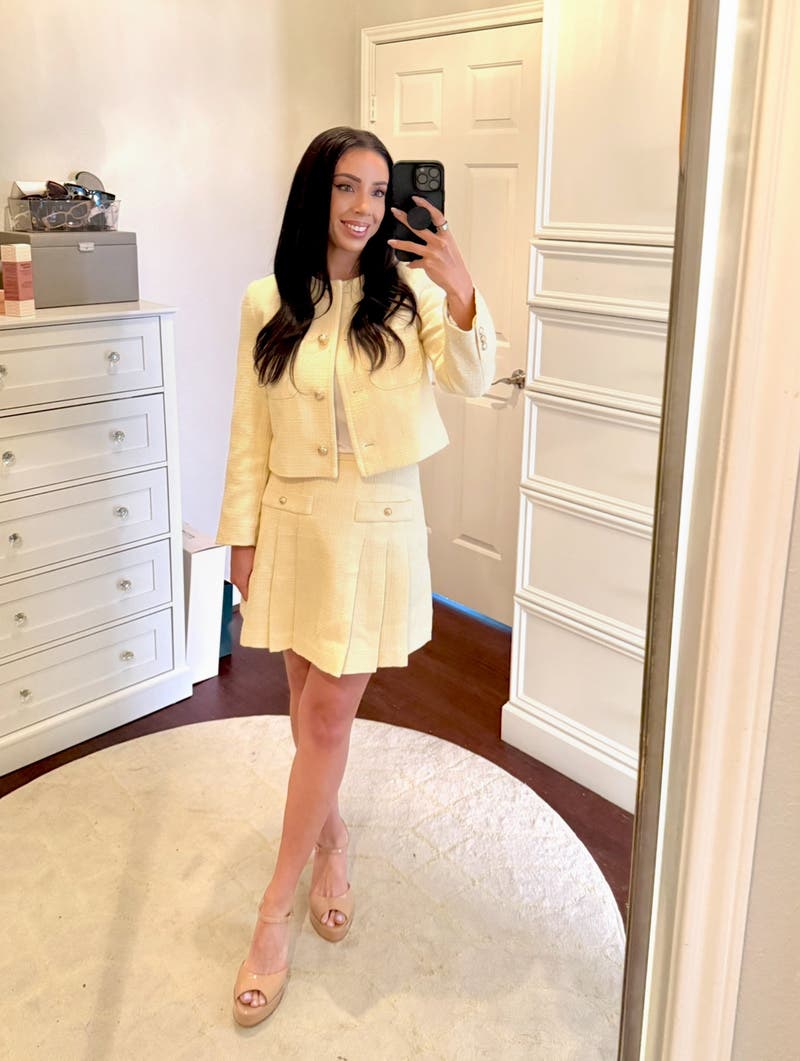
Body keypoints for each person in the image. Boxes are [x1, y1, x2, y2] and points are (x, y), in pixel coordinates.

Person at [215, 126, 496, 1028]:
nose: (365, 207)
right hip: (293, 527)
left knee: (329, 715)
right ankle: (333, 838)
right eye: (347, 187)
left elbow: (474, 379)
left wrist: (463, 288)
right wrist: (240, 537)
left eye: (379, 191)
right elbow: (248, 430)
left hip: (377, 529)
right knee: (308, 714)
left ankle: (272, 914)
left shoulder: (414, 297)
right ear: (317, 193)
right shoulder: (267, 300)